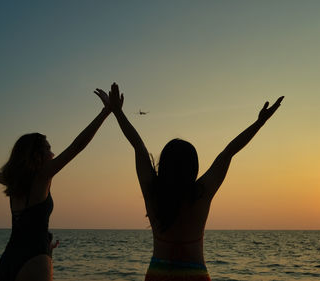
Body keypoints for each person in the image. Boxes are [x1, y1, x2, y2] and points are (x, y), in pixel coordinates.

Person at [99, 83, 283, 281]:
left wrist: (117, 112)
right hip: (195, 275)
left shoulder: (153, 192)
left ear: (164, 166)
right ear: (193, 168)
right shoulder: (201, 193)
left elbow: (138, 145)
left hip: (157, 274)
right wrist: (259, 123)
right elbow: (228, 152)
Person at [0, 91, 111, 281]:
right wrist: (106, 111)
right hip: (34, 259)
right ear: (37, 155)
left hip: (8, 259)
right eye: (48, 149)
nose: (53, 154)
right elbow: (77, 146)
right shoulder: (42, 176)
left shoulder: (13, 179)